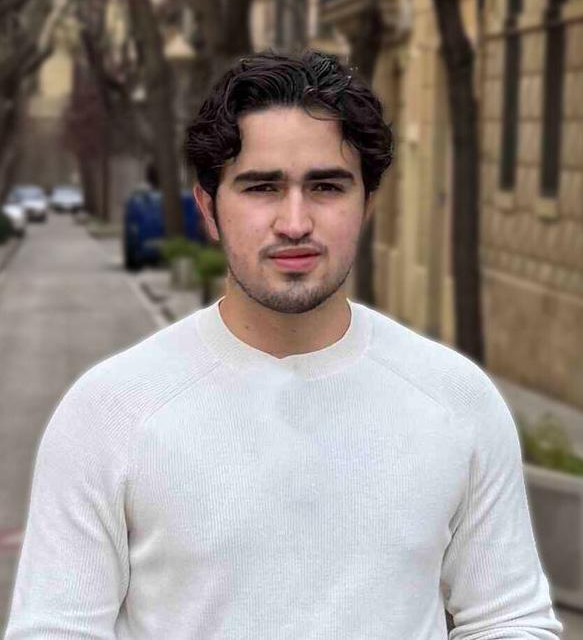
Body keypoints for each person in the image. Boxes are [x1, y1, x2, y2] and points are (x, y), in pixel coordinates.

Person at [4, 50, 563, 639]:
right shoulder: (108, 410)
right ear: (209, 209)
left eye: (325, 186)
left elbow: (508, 618)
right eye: (262, 187)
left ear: (367, 204)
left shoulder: (457, 400)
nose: (294, 222)